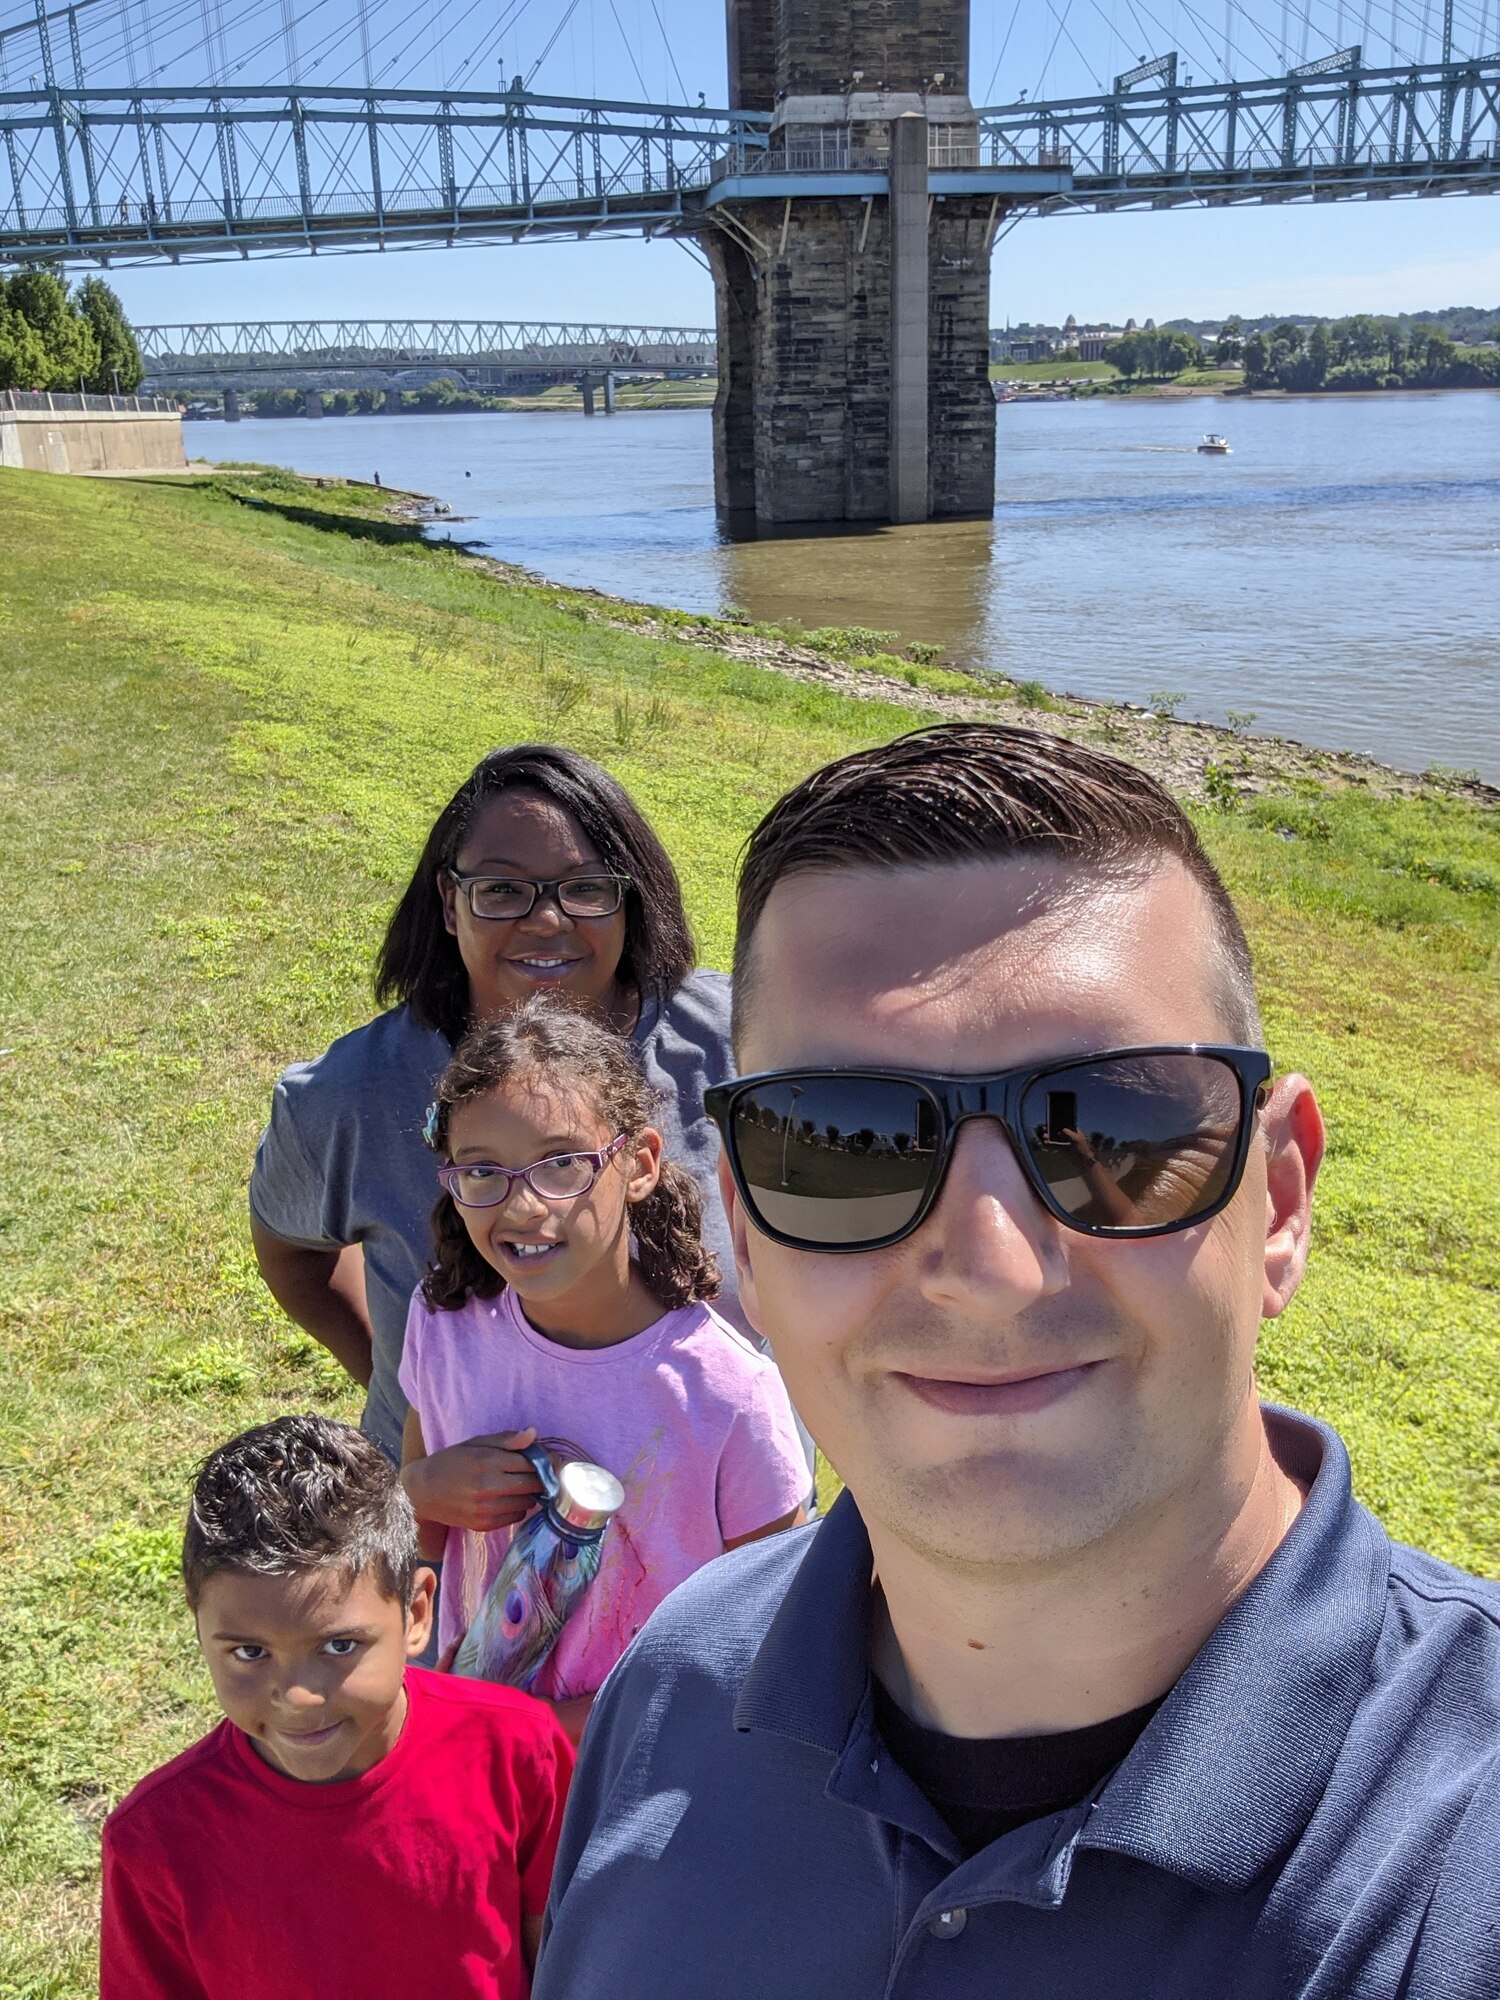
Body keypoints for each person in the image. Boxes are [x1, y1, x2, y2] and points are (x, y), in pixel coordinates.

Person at [535, 723, 1500, 1999]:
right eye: (842, 1141)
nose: (990, 1266)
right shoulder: (676, 1683)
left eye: (1113, 1122)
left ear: (1279, 1196)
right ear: (746, 1244)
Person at [249, 744, 748, 1469]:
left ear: (630, 898)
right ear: (450, 905)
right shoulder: (345, 1098)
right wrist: (413, 1384)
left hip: (716, 1519)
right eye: (502, 890)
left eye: (585, 888)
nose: (547, 920)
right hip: (464, 1540)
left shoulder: (740, 1045)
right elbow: (291, 1254)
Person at [400, 999, 809, 1743]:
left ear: (641, 1164)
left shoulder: (728, 1397)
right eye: (483, 1171)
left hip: (640, 1776)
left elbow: (765, 1649)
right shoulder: (446, 1324)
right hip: (467, 1755)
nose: (522, 1206)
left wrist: (546, 1731)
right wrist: (424, 1492)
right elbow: (408, 1544)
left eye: (562, 1163)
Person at [100, 1414, 573, 2000]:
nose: (298, 1697)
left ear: (416, 1614)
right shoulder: (155, 1840)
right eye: (249, 1652)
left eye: (339, 1645)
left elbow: (559, 1956)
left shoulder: (518, 1748)